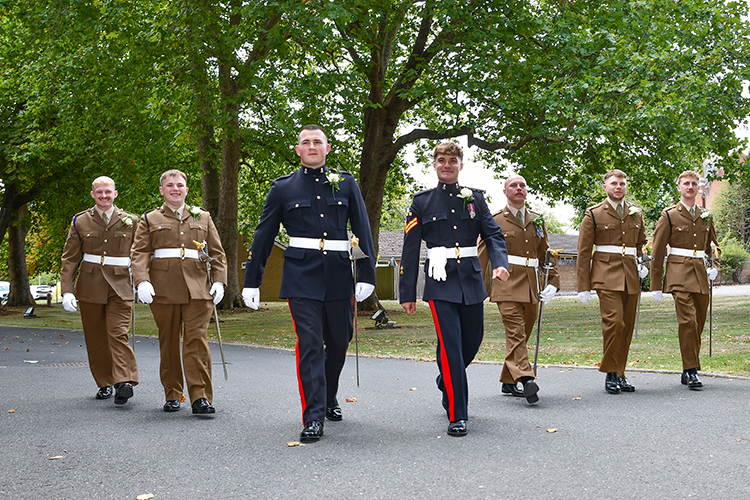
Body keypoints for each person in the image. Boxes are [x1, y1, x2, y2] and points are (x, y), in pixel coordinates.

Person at [242, 124, 376, 443]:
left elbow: (362, 229)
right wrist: (251, 281)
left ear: (327, 148)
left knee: (340, 341)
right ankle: (313, 416)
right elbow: (264, 235)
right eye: (306, 142)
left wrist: (368, 274)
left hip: (339, 274)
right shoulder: (283, 188)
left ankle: (328, 396)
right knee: (311, 344)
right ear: (298, 149)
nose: (312, 146)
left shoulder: (346, 183)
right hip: (301, 276)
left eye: (317, 141)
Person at [399, 142, 509, 437]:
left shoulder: (475, 198)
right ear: (434, 165)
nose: (446, 165)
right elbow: (410, 249)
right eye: (441, 160)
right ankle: (457, 414)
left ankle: (445, 381)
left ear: (461, 165)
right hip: (440, 281)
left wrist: (500, 263)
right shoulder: (421, 202)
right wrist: (407, 293)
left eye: (452, 160)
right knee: (450, 346)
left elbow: (493, 235)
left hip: (471, 279)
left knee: (472, 340)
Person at [130, 169, 227, 415]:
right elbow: (139, 253)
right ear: (162, 190)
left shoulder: (203, 217)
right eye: (170, 185)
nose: (175, 189)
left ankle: (200, 397)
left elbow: (217, 252)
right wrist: (142, 281)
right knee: (169, 342)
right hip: (163, 289)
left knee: (197, 341)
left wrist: (219, 281)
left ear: (186, 189)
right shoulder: (150, 218)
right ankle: (173, 393)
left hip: (198, 288)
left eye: (180, 185)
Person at [478, 174, 559, 405]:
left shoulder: (537, 220)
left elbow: (545, 253)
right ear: (505, 192)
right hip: (506, 284)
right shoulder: (494, 219)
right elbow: (482, 255)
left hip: (532, 286)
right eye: (513, 185)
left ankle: (508, 380)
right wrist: (475, 287)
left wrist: (553, 282)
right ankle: (526, 378)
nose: (519, 188)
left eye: (522, 185)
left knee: (523, 334)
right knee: (516, 333)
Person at [60, 176, 139, 405]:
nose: (104, 195)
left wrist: (143, 282)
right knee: (96, 338)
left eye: (108, 191)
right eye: (99, 192)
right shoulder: (80, 221)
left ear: (115, 194)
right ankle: (104, 383)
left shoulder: (131, 221)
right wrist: (67, 290)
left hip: (121, 286)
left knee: (118, 333)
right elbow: (70, 258)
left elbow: (140, 255)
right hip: (90, 285)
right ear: (93, 194)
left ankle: (123, 382)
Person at [577, 169, 648, 394]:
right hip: (605, 275)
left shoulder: (636, 213)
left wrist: (642, 263)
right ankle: (610, 372)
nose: (619, 187)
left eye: (622, 183)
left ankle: (620, 373)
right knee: (614, 323)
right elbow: (584, 252)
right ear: (605, 187)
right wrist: (583, 286)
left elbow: (641, 244)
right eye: (614, 183)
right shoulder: (594, 214)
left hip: (630, 275)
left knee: (626, 327)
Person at [649, 170, 719, 390]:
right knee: (688, 321)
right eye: (686, 183)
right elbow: (657, 250)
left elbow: (713, 246)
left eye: (694, 184)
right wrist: (655, 285)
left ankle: (687, 368)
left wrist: (715, 266)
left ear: (698, 187)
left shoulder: (706, 215)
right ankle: (691, 370)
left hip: (700, 274)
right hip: (678, 274)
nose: (690, 187)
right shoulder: (669, 215)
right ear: (679, 187)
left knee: (698, 323)